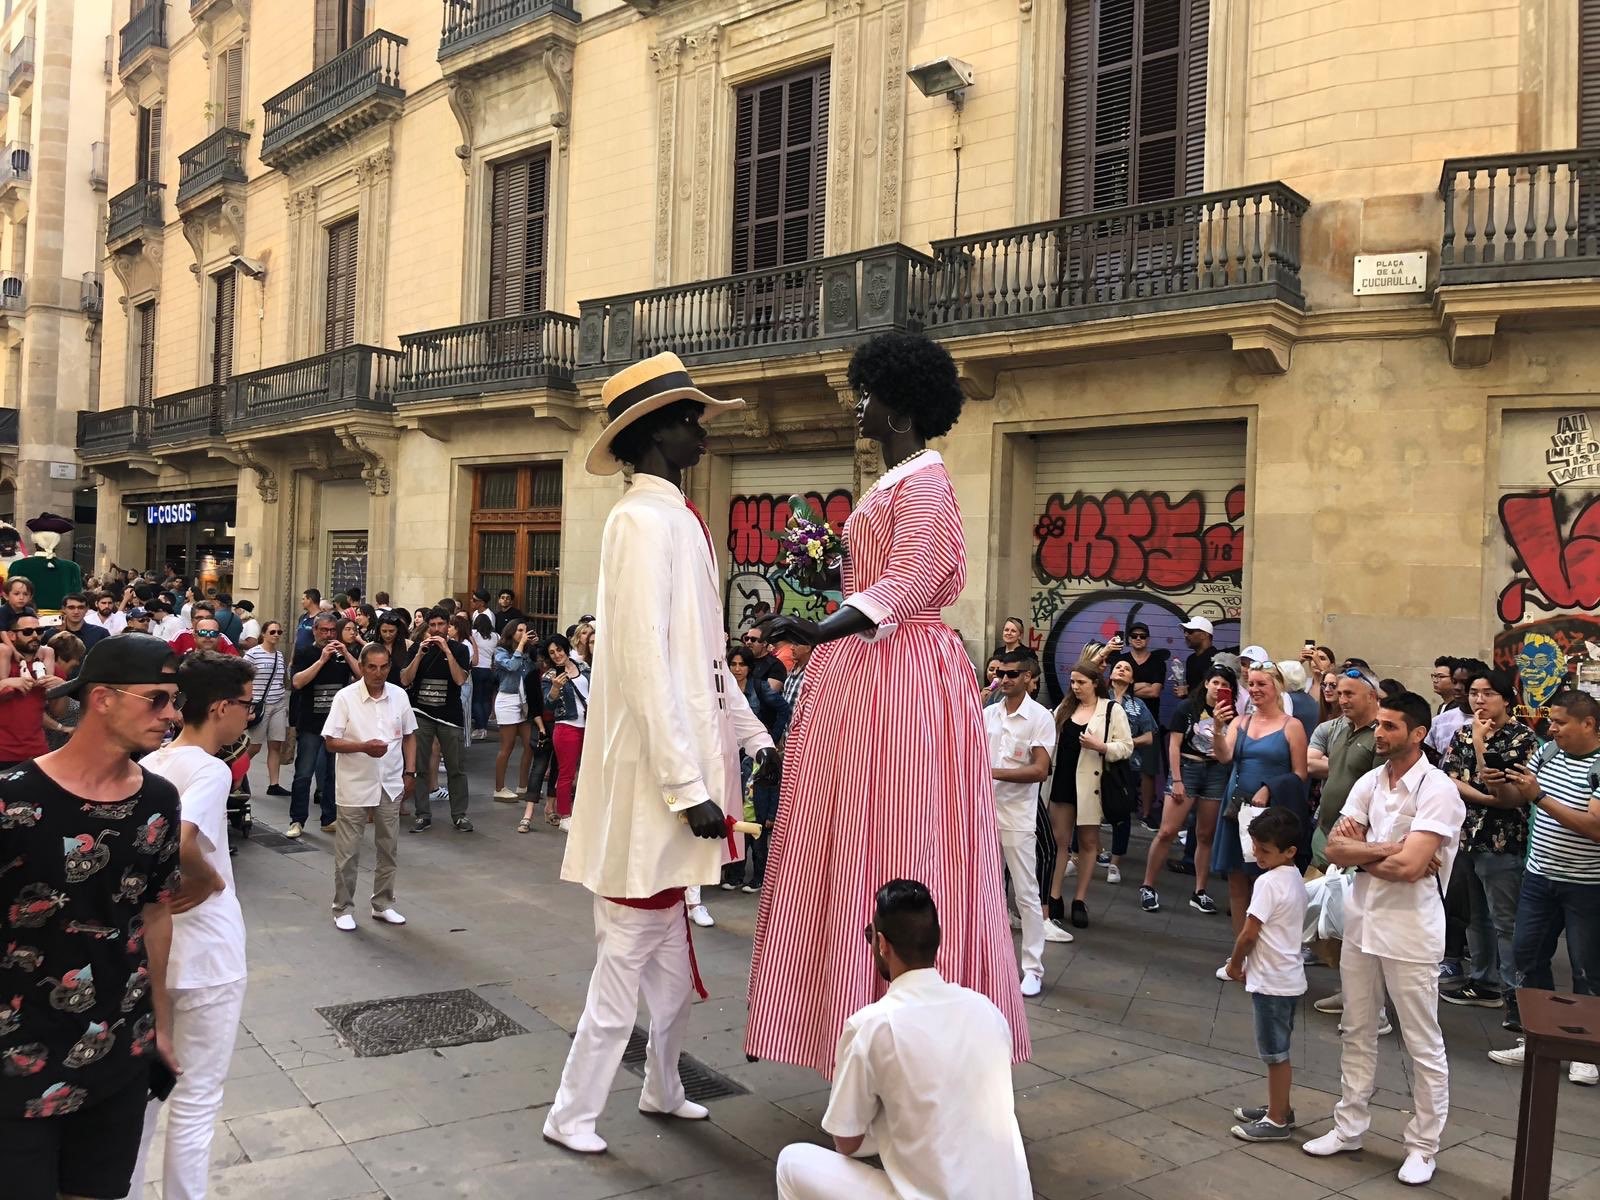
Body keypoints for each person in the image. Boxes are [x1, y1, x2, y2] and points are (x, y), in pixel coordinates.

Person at [748, 331, 1029, 1075]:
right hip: (870, 671)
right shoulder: (900, 480)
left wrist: (817, 626)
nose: (859, 406)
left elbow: (906, 585)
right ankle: (855, 1033)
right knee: (853, 836)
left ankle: (913, 1053)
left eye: (867, 394)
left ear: (898, 404)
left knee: (902, 832)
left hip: (900, 675)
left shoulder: (927, 484)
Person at [544, 351, 777, 1155]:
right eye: (688, 418)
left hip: (677, 794)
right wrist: (687, 786)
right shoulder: (639, 520)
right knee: (622, 978)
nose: (700, 430)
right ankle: (572, 1113)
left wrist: (756, 738)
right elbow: (644, 659)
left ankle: (663, 1085)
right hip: (652, 799)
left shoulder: (675, 517)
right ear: (652, 433)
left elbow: (706, 663)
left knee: (672, 982)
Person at [0, 635, 183, 1200]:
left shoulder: (159, 799)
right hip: (18, 1058)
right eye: (158, 699)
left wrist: (162, 1027)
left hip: (119, 1053)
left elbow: (155, 914)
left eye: (175, 700)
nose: (172, 715)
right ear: (102, 699)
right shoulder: (12, 800)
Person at [773, 880, 1031, 1200]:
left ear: (882, 944)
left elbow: (846, 1141)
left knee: (791, 1162)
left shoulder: (872, 1025)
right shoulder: (987, 1010)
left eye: (870, 936)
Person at [1304, 691, 1465, 1186]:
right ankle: (1349, 1126)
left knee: (1422, 1042)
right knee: (1357, 1029)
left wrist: (1368, 852)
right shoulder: (1371, 782)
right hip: (1362, 923)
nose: (1380, 734)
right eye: (1379, 726)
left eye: (1391, 727)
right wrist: (1391, 847)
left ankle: (1423, 1145)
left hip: (1412, 932)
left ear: (1418, 734)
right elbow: (1335, 846)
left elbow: (1415, 866)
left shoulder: (1438, 789)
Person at [128, 651, 255, 1200]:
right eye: (246, 706)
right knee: (197, 1099)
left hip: (152, 953)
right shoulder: (209, 768)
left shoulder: (151, 762)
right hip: (206, 956)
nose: (249, 717)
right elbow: (181, 839)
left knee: (145, 1098)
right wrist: (208, 880)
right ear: (221, 706)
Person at [1490, 689, 1600, 1084]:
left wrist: (1541, 795)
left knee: (1587, 967)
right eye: (1550, 721)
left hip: (1588, 884)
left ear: (1588, 723)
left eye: (1560, 722)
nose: (1550, 729)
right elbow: (1518, 797)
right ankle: (1540, 1038)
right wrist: (1499, 785)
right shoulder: (1548, 752)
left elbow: (1594, 828)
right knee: (1527, 954)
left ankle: (1587, 1049)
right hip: (1540, 876)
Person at [1439, 668, 1537, 1019]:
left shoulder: (1521, 738)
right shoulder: (1462, 733)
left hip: (1503, 841)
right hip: (1467, 836)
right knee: (1475, 915)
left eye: (1488, 693)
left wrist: (1481, 746)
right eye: (1474, 693)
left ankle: (1515, 996)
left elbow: (1509, 793)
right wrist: (1488, 797)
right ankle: (1484, 981)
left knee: (1505, 920)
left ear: (1506, 698)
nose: (1479, 700)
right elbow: (1448, 778)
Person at [1225, 805, 1309, 1143]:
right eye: (1255, 847)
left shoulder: (1268, 882)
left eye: (1264, 850)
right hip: (1288, 977)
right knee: (1279, 1049)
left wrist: (1234, 964)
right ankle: (1280, 1107)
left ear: (1288, 851)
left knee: (1275, 1054)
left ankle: (1276, 1121)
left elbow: (1248, 932)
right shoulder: (1294, 878)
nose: (1257, 855)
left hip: (1272, 980)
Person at [985, 650, 1068, 994]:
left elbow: (1039, 770)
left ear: (1028, 678)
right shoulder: (988, 713)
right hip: (983, 814)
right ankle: (987, 962)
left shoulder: (1040, 717)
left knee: (1026, 894)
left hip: (1018, 817)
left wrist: (988, 772)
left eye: (1012, 674)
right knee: (983, 892)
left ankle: (1032, 968)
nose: (1004, 679)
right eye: (1001, 672)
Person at [322, 643, 417, 932]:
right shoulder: (345, 697)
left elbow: (411, 735)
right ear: (361, 667)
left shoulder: (398, 695)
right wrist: (363, 747)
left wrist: (410, 772)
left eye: (384, 667)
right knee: (348, 851)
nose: (378, 673)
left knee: (388, 848)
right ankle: (342, 908)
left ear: (390, 666)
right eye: (372, 667)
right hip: (355, 784)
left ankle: (383, 903)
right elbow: (330, 741)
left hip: (389, 783)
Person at [1212, 662, 1308, 945]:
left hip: (1269, 814)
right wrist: (1218, 728)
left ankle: (1265, 948)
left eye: (1261, 684)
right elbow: (1224, 757)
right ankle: (1239, 951)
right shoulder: (1240, 722)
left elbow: (1301, 774)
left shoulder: (1293, 726)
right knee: (1236, 879)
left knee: (1263, 881)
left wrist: (1269, 787)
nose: (1254, 689)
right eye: (1250, 684)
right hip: (1236, 808)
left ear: (1277, 686)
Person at [1040, 659, 1133, 931]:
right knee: (1059, 840)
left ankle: (1080, 899)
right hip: (1063, 780)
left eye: (1081, 682)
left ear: (1095, 682)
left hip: (1090, 784)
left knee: (1089, 841)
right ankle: (1054, 894)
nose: (1075, 687)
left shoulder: (1111, 710)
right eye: (1073, 682)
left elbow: (1126, 746)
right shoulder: (1065, 708)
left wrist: (1101, 746)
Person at [1140, 665, 1234, 915]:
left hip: (1215, 771)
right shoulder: (1188, 708)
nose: (1219, 688)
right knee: (1168, 830)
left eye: (1225, 685)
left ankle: (1200, 890)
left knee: (1205, 834)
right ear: (1206, 684)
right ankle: (1148, 885)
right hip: (1188, 767)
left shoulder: (1231, 714)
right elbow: (1173, 745)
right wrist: (1177, 779)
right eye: (1215, 682)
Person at [725, 645, 791, 892]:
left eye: (742, 664)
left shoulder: (760, 688)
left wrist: (769, 742)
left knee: (758, 829)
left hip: (755, 750)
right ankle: (734, 873)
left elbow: (782, 710)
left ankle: (757, 877)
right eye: (734, 664)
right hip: (734, 755)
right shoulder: (723, 683)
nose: (737, 669)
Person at [402, 608, 473, 833]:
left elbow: (460, 679)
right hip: (422, 714)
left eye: (440, 625)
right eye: (432, 626)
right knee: (421, 766)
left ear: (448, 626)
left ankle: (459, 815)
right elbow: (405, 679)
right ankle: (423, 814)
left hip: (450, 717)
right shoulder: (417, 648)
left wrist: (447, 652)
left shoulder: (460, 649)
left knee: (456, 768)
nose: (436, 630)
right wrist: (419, 655)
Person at [288, 613, 357, 838]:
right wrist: (321, 660)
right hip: (310, 723)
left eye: (332, 631)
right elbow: (297, 682)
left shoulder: (342, 654)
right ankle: (297, 820)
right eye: (324, 630)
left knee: (333, 774)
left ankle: (330, 818)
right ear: (315, 631)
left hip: (336, 725)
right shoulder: (305, 652)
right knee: (304, 773)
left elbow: (361, 675)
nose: (328, 635)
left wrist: (345, 653)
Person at [1103, 657, 1156, 883]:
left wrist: (1127, 742)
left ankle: (1115, 863)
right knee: (1088, 810)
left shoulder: (1138, 705)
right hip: (1095, 762)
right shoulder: (1097, 698)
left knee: (1121, 815)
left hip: (1125, 766)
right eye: (1118, 667)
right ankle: (1081, 855)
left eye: (1127, 669)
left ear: (1132, 678)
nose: (1122, 670)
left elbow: (1149, 735)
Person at [541, 632, 591, 830]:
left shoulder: (583, 667)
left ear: (565, 648)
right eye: (552, 653)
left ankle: (585, 811)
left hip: (589, 725)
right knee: (566, 773)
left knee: (589, 771)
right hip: (566, 727)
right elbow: (548, 705)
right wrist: (554, 689)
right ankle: (565, 815)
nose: (556, 655)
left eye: (559, 650)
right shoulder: (549, 676)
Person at [245, 621, 291, 797]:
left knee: (275, 744)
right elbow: (243, 678)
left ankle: (274, 784)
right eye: (272, 631)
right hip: (259, 704)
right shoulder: (253, 654)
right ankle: (236, 773)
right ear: (263, 634)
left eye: (279, 632)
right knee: (255, 746)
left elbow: (281, 679)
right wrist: (247, 704)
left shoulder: (280, 655)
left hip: (278, 703)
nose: (276, 635)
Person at [493, 621, 536, 804]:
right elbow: (511, 666)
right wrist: (521, 646)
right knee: (507, 746)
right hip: (507, 700)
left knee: (530, 745)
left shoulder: (526, 653)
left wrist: (535, 648)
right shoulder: (501, 651)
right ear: (511, 632)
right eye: (520, 630)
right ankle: (499, 788)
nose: (523, 633)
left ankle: (523, 786)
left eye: (526, 630)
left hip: (524, 700)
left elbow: (535, 670)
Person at [43, 594, 108, 652]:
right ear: (63, 609)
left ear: (86, 609)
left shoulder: (100, 634)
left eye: (81, 607)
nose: (76, 611)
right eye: (71, 607)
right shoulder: (51, 634)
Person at [1174, 616, 1218, 700]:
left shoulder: (1216, 660)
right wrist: (1183, 691)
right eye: (1185, 631)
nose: (1185, 635)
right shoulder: (1191, 659)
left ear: (1204, 635)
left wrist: (1188, 691)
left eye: (1190, 631)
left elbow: (1214, 691)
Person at [469, 611, 497, 741]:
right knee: (486, 699)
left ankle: (480, 728)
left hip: (476, 669)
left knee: (476, 699)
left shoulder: (474, 634)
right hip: (489, 670)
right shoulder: (496, 636)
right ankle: (484, 726)